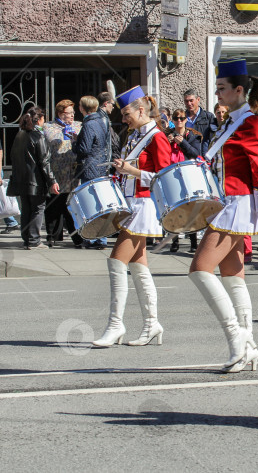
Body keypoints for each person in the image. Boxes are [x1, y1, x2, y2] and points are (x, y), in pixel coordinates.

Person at [188, 57, 258, 373]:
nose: (218, 95)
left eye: (222, 89)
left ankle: (237, 340)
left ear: (239, 90)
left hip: (236, 205)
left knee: (199, 269)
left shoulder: (253, 122)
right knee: (233, 277)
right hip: (224, 201)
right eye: (217, 89)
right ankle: (248, 345)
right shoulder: (228, 123)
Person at [91, 86, 172, 348]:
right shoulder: (135, 135)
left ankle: (116, 325)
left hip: (144, 205)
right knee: (139, 267)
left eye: (127, 114)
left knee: (116, 261)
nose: (123, 119)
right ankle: (152, 324)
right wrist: (122, 170)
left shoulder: (157, 137)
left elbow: (165, 177)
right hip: (131, 204)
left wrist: (132, 171)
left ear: (140, 110)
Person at [7, 107, 60, 250]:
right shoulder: (38, 136)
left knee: (27, 209)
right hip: (35, 180)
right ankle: (34, 240)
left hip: (22, 179)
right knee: (37, 209)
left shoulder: (20, 135)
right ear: (40, 119)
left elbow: (14, 156)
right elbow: (44, 161)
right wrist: (52, 181)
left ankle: (27, 239)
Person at [73, 95, 113, 249]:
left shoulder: (89, 124)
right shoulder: (100, 122)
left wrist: (74, 144)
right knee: (99, 203)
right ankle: (100, 238)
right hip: (100, 166)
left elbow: (84, 149)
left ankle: (93, 238)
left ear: (82, 108)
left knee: (90, 204)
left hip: (90, 168)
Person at [44, 99, 83, 248]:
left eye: (73, 112)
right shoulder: (48, 127)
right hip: (56, 173)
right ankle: (52, 237)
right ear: (60, 113)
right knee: (53, 206)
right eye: (69, 113)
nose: (72, 115)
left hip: (73, 173)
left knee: (72, 207)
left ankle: (77, 238)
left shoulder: (79, 126)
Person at [165, 108, 202, 253]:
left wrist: (182, 143)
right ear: (172, 120)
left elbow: (195, 154)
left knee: (190, 208)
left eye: (181, 118)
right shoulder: (167, 135)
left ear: (186, 119)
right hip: (172, 174)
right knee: (173, 208)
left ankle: (193, 241)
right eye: (176, 118)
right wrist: (167, 143)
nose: (179, 121)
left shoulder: (192, 135)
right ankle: (175, 241)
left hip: (188, 173)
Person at [183, 89, 216, 155]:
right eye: (186, 101)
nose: (189, 103)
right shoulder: (181, 118)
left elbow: (213, 138)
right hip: (187, 156)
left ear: (198, 99)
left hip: (203, 156)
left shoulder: (208, 117)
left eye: (191, 100)